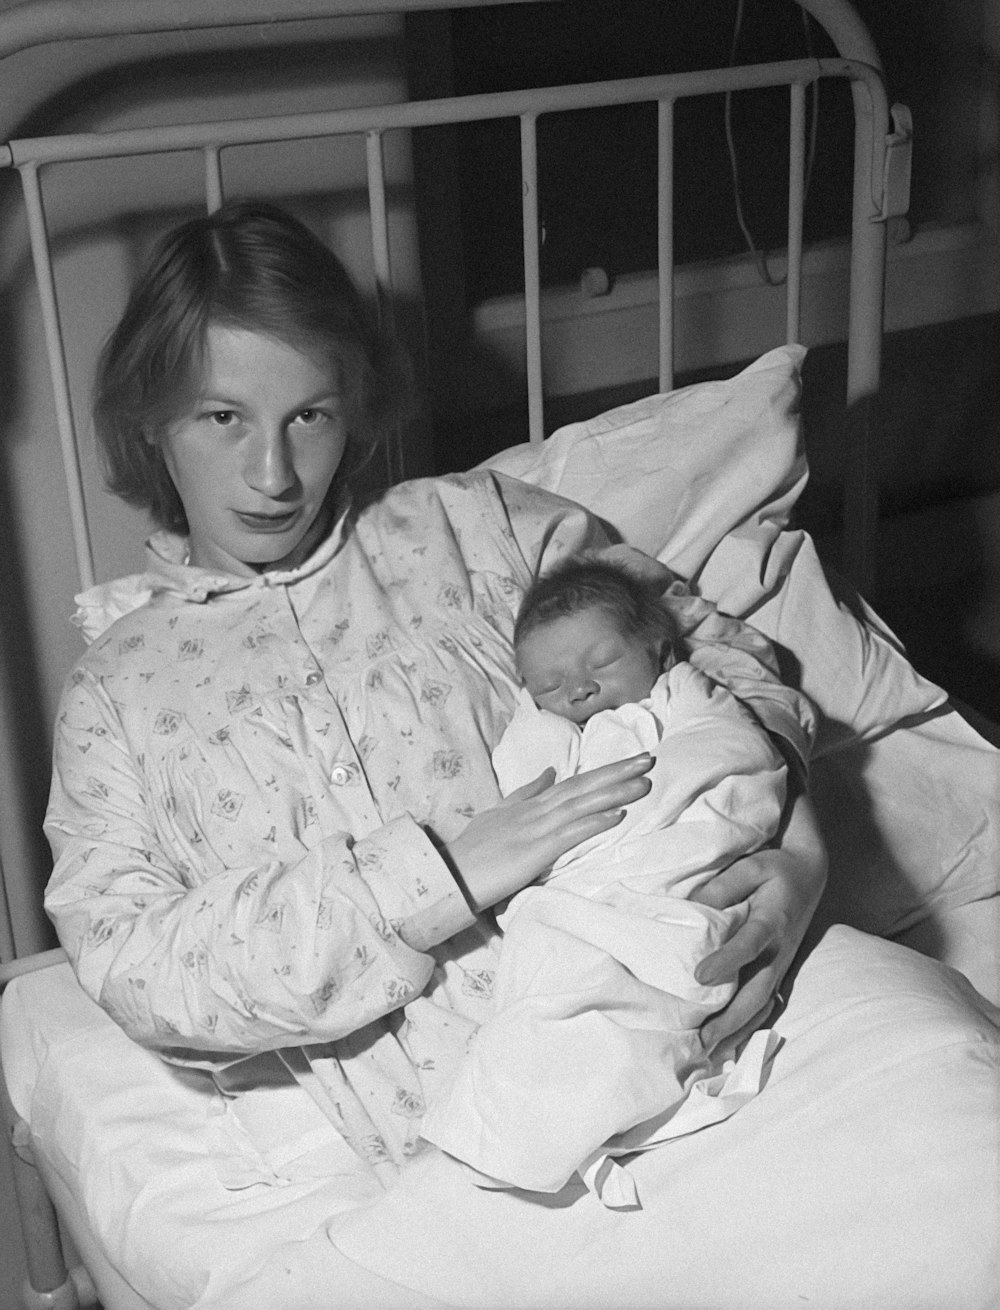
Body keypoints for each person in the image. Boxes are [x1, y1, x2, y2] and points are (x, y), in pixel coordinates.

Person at [44, 201, 825, 1200]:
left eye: (310, 415)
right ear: (153, 418)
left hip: (718, 1017)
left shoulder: (477, 528)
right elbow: (138, 968)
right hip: (482, 1156)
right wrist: (435, 874)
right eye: (223, 416)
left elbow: (719, 654)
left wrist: (799, 852)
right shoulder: (117, 694)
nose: (273, 474)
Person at [421, 558, 811, 1205]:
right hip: (581, 889)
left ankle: (596, 1105)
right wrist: (536, 718)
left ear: (657, 653)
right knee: (551, 972)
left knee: (666, 971)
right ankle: (519, 1120)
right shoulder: (552, 730)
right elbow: (528, 796)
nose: (576, 691)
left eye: (601, 664)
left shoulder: (681, 696)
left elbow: (739, 754)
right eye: (548, 683)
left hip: (672, 872)